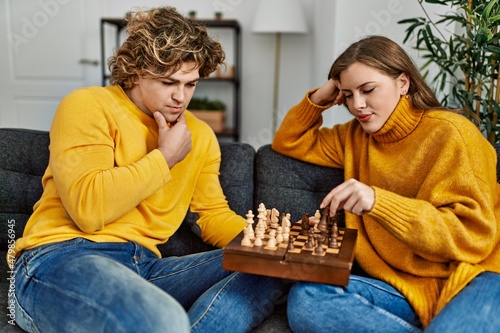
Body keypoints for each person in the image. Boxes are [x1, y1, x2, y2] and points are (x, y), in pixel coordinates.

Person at [10, 6, 286, 333]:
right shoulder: (88, 105)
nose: (180, 97)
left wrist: (270, 241)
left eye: (191, 84)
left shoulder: (199, 136)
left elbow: (211, 214)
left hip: (145, 267)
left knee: (274, 268)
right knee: (161, 320)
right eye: (168, 82)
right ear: (137, 71)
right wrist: (164, 158)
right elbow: (88, 208)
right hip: (63, 258)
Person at [272, 35, 500, 332]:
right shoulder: (353, 137)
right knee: (308, 297)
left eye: (367, 90)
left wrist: (378, 202)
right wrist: (318, 100)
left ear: (403, 83)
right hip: (404, 287)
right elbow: (288, 141)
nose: (358, 105)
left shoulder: (454, 134)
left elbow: (473, 237)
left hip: (477, 275)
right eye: (348, 94)